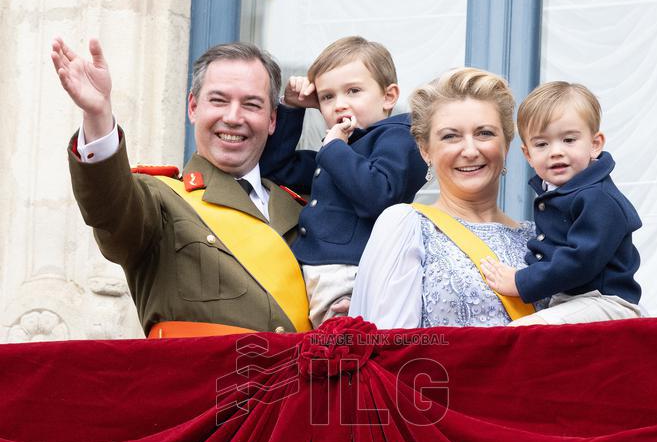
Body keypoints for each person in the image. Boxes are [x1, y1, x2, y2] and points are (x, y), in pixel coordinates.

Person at [51, 37, 311, 337]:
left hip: (300, 383)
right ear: (192, 107)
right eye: (219, 101)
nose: (233, 117)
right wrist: (98, 116)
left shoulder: (302, 208)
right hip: (200, 383)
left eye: (251, 105)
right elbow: (110, 210)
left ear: (272, 120)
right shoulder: (160, 199)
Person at [349, 67, 536, 328]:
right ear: (425, 150)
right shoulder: (404, 226)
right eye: (450, 136)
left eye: (485, 133)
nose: (470, 150)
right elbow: (389, 350)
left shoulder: (538, 240)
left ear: (506, 143)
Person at [260, 36, 427, 327]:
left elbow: (379, 195)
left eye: (353, 91)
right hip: (309, 273)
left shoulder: (399, 136)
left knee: (341, 355)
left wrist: (334, 148)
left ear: (389, 97)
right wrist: (292, 107)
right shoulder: (341, 151)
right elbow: (276, 167)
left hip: (350, 272)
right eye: (327, 97)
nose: (339, 105)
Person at [480, 81, 644, 325]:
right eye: (542, 144)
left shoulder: (598, 198)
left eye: (568, 140)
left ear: (595, 145)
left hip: (606, 302)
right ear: (528, 155)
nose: (555, 151)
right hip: (574, 300)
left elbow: (580, 260)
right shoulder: (561, 192)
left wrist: (520, 281)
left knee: (523, 330)